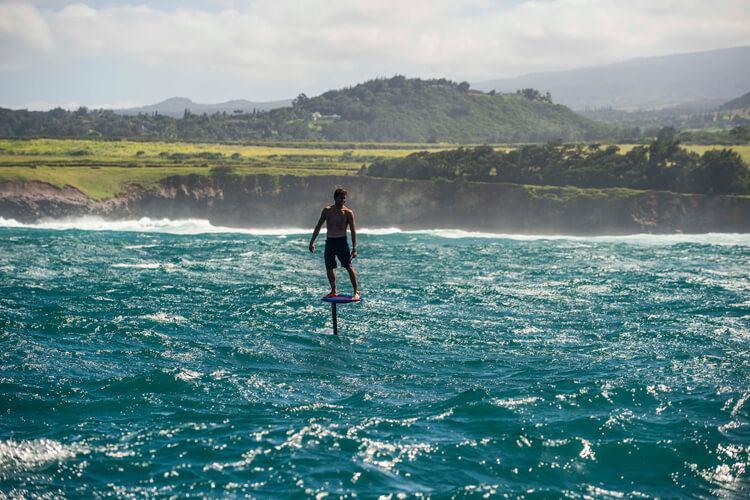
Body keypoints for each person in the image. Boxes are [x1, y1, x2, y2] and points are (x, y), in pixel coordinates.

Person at [309, 187, 360, 300]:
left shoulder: (348, 213)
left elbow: (353, 231)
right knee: (329, 267)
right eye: (340, 198)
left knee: (349, 266)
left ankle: (356, 292)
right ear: (335, 198)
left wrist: (354, 248)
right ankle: (333, 290)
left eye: (344, 198)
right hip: (330, 242)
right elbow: (318, 226)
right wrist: (312, 241)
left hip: (342, 242)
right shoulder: (327, 210)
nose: (343, 200)